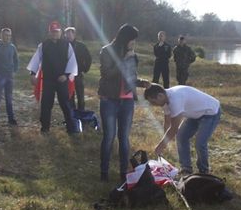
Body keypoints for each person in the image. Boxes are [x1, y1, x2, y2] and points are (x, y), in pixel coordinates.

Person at [98, 23, 149, 182]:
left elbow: (130, 77)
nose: (134, 43)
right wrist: (123, 59)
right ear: (125, 38)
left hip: (127, 101)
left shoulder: (132, 54)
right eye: (132, 39)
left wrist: (141, 82)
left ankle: (123, 173)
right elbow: (106, 74)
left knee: (124, 138)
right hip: (109, 100)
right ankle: (104, 172)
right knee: (109, 137)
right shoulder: (107, 50)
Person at [144, 84, 221, 175]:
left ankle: (204, 170)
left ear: (160, 95)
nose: (153, 105)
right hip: (195, 115)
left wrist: (160, 146)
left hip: (211, 112)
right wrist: (166, 140)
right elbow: (167, 122)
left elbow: (174, 128)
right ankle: (186, 168)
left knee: (200, 143)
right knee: (181, 136)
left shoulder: (175, 99)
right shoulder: (165, 100)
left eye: (153, 102)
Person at [27, 21, 78, 133]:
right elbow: (36, 60)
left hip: (62, 80)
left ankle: (71, 129)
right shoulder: (43, 45)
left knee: (65, 104)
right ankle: (45, 128)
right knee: (46, 104)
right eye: (52, 32)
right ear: (49, 32)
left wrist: (66, 75)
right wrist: (32, 74)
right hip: (48, 80)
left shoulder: (66, 45)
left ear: (60, 32)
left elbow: (72, 61)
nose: (54, 34)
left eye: (56, 31)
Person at [65, 27, 92, 111]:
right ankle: (72, 116)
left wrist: (85, 69)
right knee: (70, 96)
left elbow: (88, 58)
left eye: (70, 34)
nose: (68, 36)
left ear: (74, 34)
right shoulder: (63, 45)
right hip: (67, 75)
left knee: (80, 96)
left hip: (78, 74)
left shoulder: (81, 46)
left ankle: (81, 114)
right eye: (67, 34)